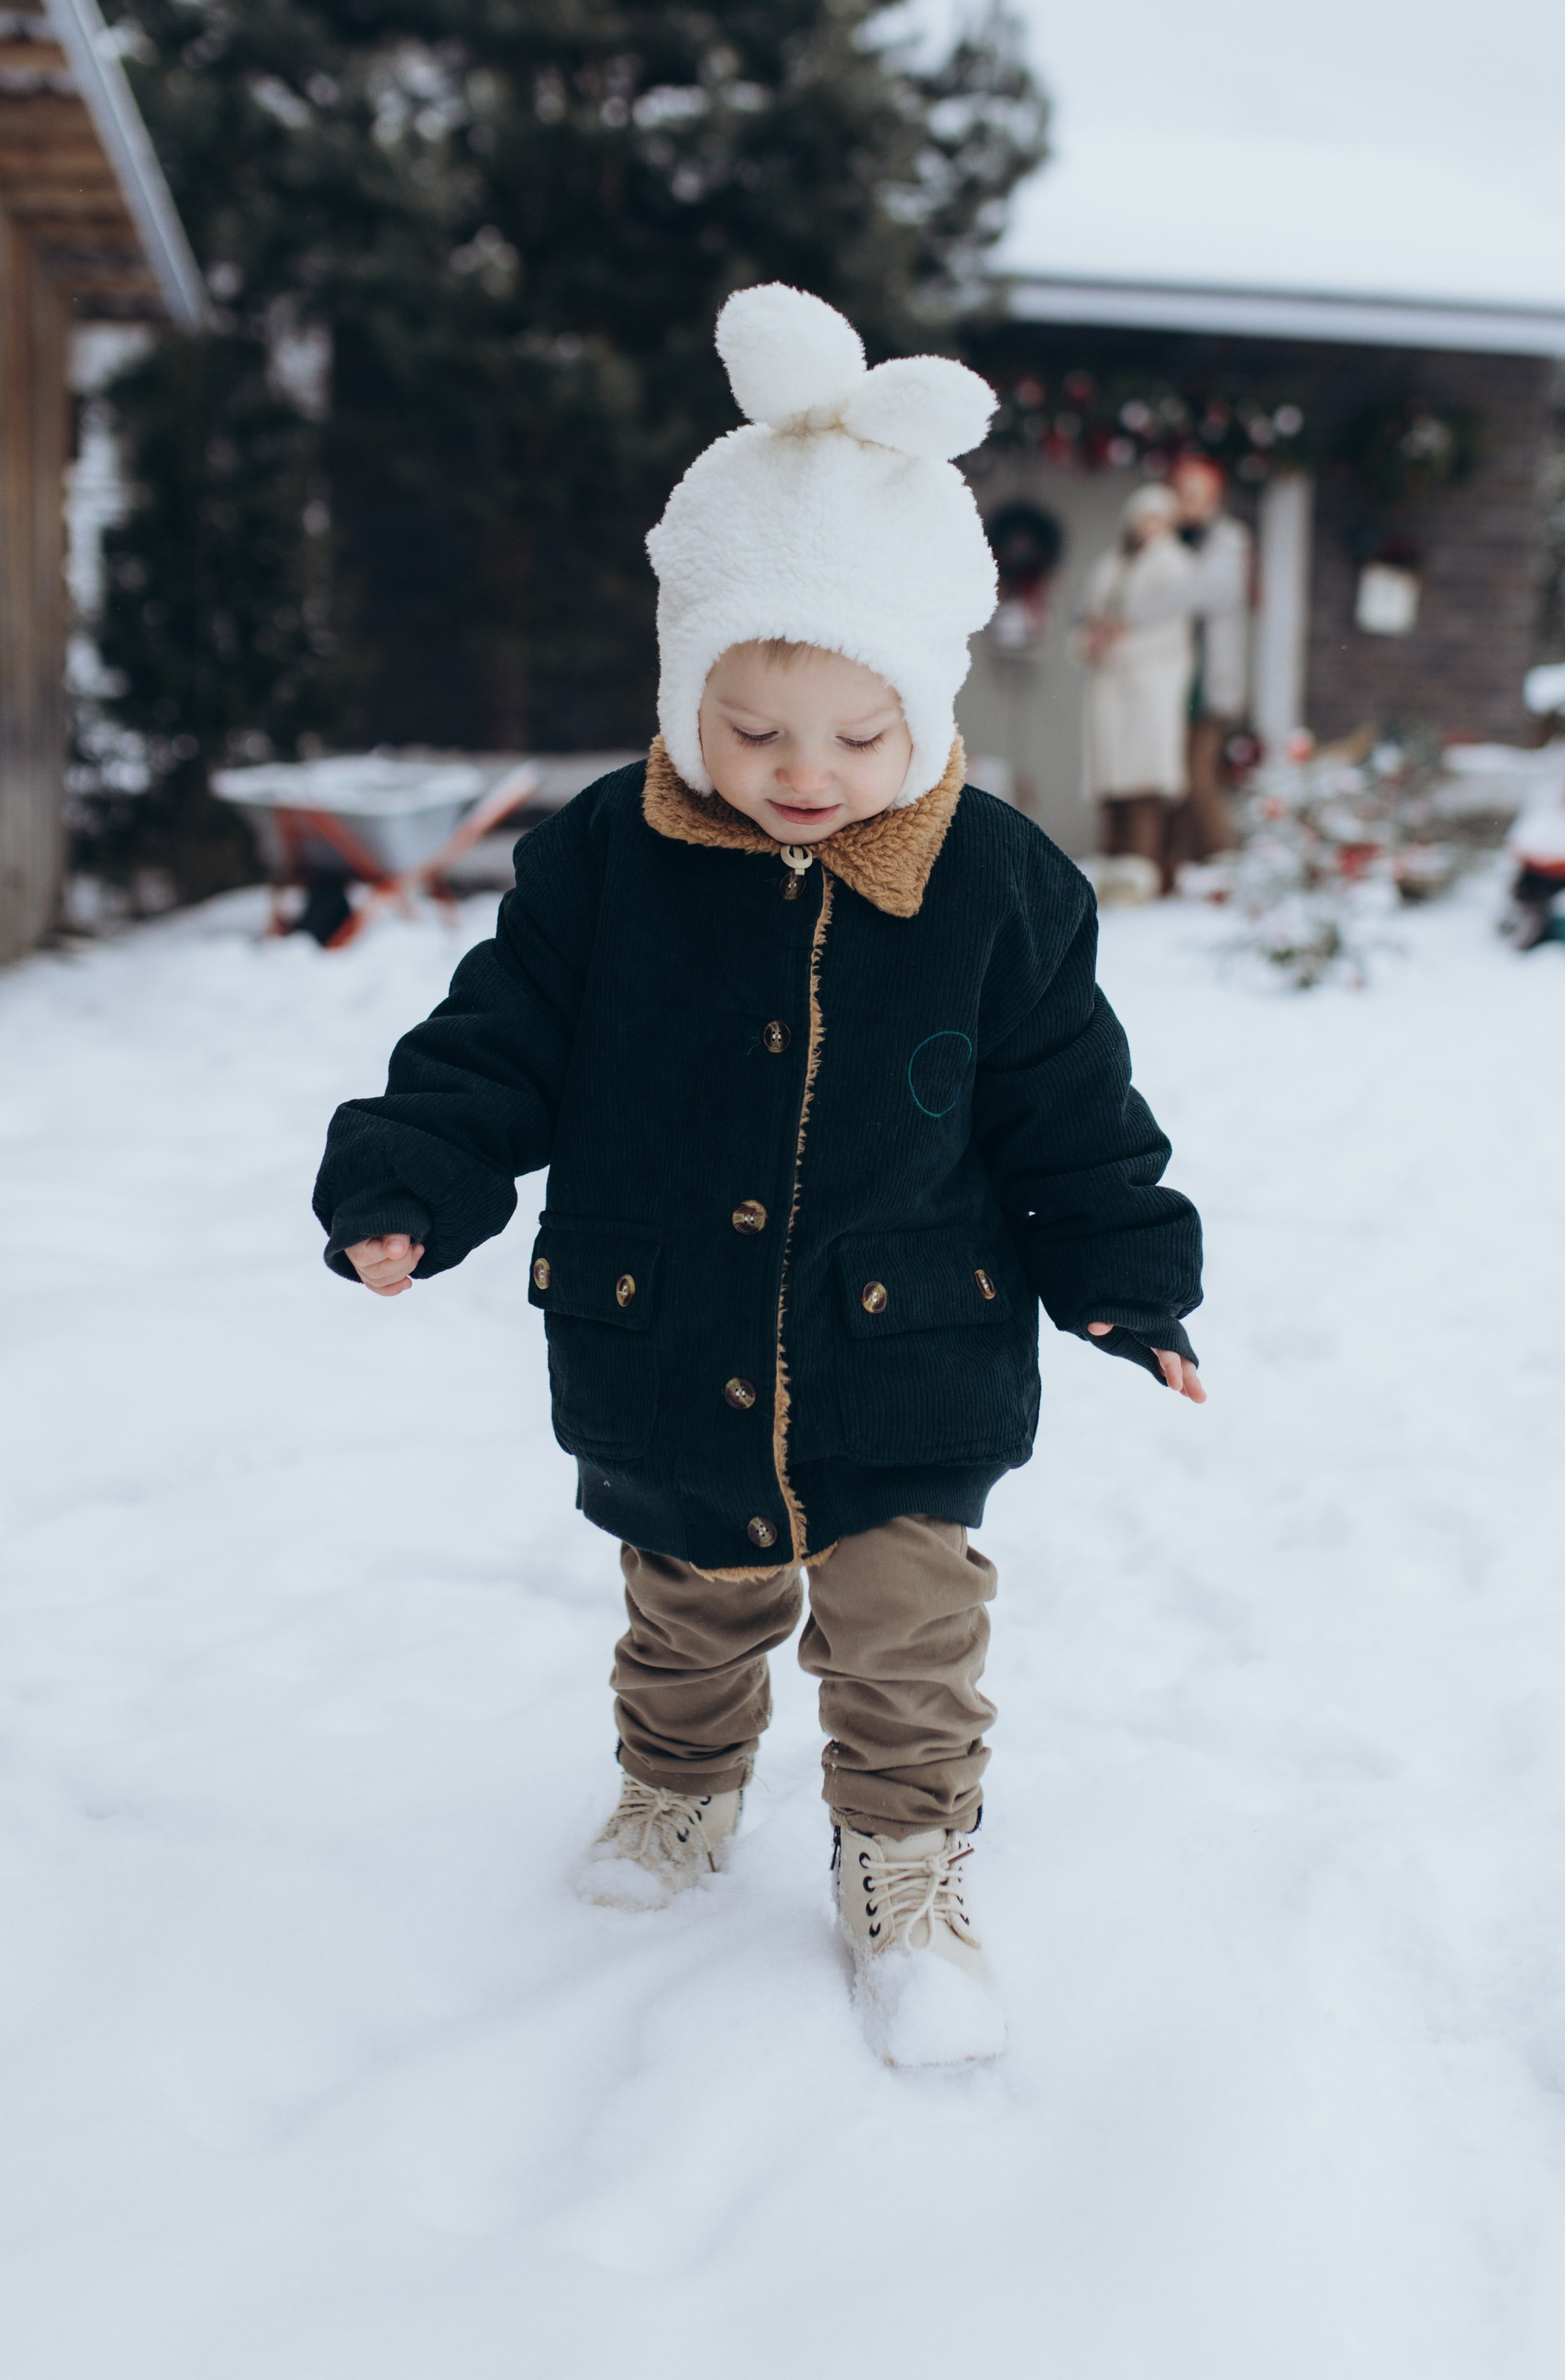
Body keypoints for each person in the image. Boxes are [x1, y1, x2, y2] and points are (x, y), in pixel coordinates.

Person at [312, 286, 1204, 2071]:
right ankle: (674, 1787)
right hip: (666, 1327)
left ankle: (901, 1859)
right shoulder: (605, 863)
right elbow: (496, 1043)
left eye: (854, 738)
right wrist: (412, 1175)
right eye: (752, 729)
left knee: (906, 1626)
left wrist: (1123, 1273)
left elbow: (1067, 1106)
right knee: (688, 1596)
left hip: (910, 1342)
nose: (802, 776)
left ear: (923, 705)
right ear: (680, 689)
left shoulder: (995, 888)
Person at [1079, 481, 1196, 878]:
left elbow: (1172, 635)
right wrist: (1091, 643)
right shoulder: (1111, 566)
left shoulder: (1174, 566)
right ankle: (1112, 867)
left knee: (1144, 785)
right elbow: (1089, 619)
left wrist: (1119, 644)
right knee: (1112, 787)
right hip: (1110, 687)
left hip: (1148, 688)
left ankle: (1144, 872)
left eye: (1158, 519)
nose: (1149, 528)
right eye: (1144, 519)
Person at [1168, 453, 1253, 863]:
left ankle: (1224, 859)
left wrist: (1159, 597)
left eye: (1198, 493)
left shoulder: (1228, 540)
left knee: (1199, 777)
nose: (1190, 502)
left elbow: (1210, 593)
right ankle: (1183, 860)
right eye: (1183, 493)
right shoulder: (1169, 539)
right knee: (1175, 779)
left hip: (1209, 681)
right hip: (1174, 679)